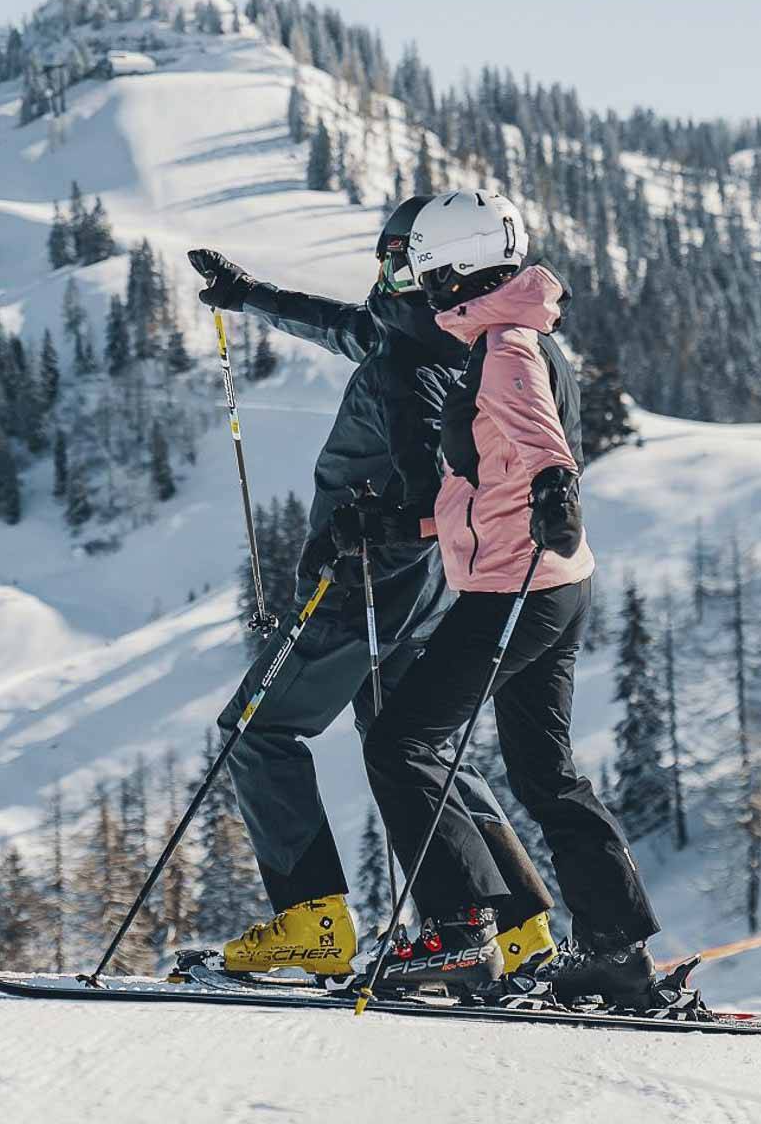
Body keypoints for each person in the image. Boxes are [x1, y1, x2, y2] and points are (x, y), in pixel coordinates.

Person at [187, 198, 559, 980]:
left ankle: (312, 919)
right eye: (385, 263)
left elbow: (436, 481)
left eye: (400, 263)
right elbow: (341, 326)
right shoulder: (439, 332)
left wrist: (378, 527)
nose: (387, 279)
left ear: (432, 266)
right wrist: (248, 294)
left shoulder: (410, 361)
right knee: (415, 748)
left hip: (363, 582)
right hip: (422, 590)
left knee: (258, 729)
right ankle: (515, 925)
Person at [361, 190, 702, 1016]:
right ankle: (614, 955)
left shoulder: (506, 346)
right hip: (551, 584)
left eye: (418, 267)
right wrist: (404, 521)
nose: (412, 282)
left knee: (402, 742)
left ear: (453, 267)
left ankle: (458, 934)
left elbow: (538, 440)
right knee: (545, 775)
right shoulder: (519, 335)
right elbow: (493, 475)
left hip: (517, 585)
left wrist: (558, 487)